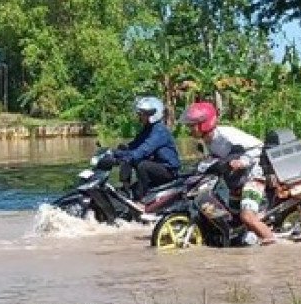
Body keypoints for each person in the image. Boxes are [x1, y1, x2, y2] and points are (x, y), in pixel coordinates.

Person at [178, 101, 278, 246]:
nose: (189, 129)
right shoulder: (207, 141)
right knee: (234, 224)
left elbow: (258, 147)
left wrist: (242, 161)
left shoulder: (226, 134)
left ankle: (273, 245)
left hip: (253, 176)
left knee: (247, 217)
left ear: (204, 124)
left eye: (192, 125)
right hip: (236, 180)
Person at [115, 96, 181, 199]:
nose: (140, 117)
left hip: (168, 171)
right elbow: (133, 146)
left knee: (142, 165)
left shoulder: (159, 131)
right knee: (124, 149)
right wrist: (113, 153)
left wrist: (119, 158)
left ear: (152, 114)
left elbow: (143, 151)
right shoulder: (148, 129)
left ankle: (140, 197)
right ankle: (126, 188)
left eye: (142, 114)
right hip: (156, 166)